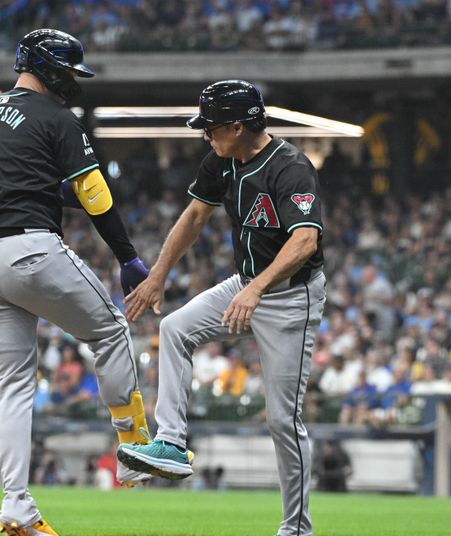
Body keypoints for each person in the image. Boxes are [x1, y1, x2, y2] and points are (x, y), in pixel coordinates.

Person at [0, 29, 151, 535]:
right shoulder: (55, 116)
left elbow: (10, 177)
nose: (71, 81)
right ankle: (133, 449)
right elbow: (94, 193)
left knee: (13, 384)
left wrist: (50, 190)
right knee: (109, 330)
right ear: (47, 66)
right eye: (66, 70)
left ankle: (16, 506)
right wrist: (126, 256)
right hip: (28, 251)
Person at [118, 80, 326, 536]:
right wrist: (157, 275)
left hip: (290, 294)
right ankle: (170, 442)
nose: (205, 135)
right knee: (174, 328)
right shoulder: (222, 160)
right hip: (247, 283)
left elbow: (305, 240)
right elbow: (194, 216)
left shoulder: (290, 167)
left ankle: (296, 527)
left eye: (211, 127)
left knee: (281, 420)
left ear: (238, 125)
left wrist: (256, 291)